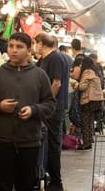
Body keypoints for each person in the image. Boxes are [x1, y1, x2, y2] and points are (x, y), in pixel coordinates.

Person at [0, 32, 55, 191]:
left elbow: (50, 104)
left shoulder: (39, 75)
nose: (14, 50)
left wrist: (33, 110)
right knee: (1, 185)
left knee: (25, 185)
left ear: (29, 50)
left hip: (30, 141)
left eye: (19, 47)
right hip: (1, 141)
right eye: (11, 46)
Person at [35, 32, 69, 191]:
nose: (36, 47)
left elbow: (56, 83)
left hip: (53, 109)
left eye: (36, 43)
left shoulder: (54, 58)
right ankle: (49, 178)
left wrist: (47, 102)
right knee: (50, 143)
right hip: (53, 107)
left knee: (53, 144)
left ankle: (56, 182)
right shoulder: (51, 58)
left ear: (41, 43)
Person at [72, 56, 104, 151]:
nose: (81, 66)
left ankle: (86, 144)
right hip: (96, 100)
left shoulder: (87, 72)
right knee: (90, 121)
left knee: (85, 122)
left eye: (82, 64)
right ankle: (89, 140)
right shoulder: (95, 71)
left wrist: (75, 85)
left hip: (89, 100)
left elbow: (83, 86)